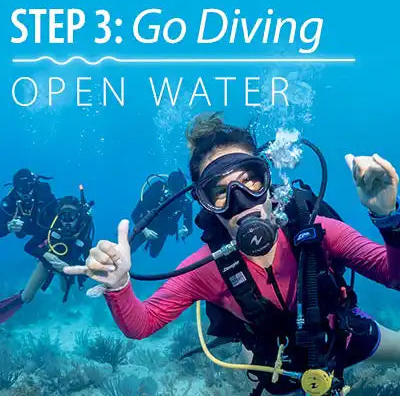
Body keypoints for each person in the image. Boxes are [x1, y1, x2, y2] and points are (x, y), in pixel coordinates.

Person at [65, 113, 400, 396]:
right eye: (221, 193)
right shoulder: (205, 269)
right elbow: (141, 325)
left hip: (342, 338)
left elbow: (393, 275)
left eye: (250, 182)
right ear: (206, 203)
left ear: (268, 182)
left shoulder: (315, 230)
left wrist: (388, 218)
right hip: (273, 365)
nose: (241, 202)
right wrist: (118, 285)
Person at [0, 192, 94, 323]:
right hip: (47, 262)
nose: (67, 221)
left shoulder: (83, 237)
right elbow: (29, 246)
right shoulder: (51, 228)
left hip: (67, 269)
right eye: (63, 216)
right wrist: (46, 255)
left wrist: (70, 267)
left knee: (66, 291)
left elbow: (90, 264)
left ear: (79, 216)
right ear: (58, 216)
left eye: (71, 216)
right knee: (26, 296)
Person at [130, 170, 193, 258]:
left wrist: (185, 232)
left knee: (154, 254)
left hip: (162, 231)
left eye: (176, 193)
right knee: (129, 249)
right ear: (167, 184)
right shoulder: (156, 189)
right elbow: (135, 214)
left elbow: (189, 227)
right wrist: (144, 230)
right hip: (144, 225)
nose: (172, 196)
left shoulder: (185, 202)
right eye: (171, 190)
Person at [0, 168, 56, 239]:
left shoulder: (43, 194)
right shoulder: (9, 202)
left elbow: (56, 213)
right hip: (28, 230)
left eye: (28, 189)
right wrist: (7, 227)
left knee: (29, 248)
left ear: (33, 185)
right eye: (20, 190)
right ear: (15, 189)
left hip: (45, 228)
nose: (25, 194)